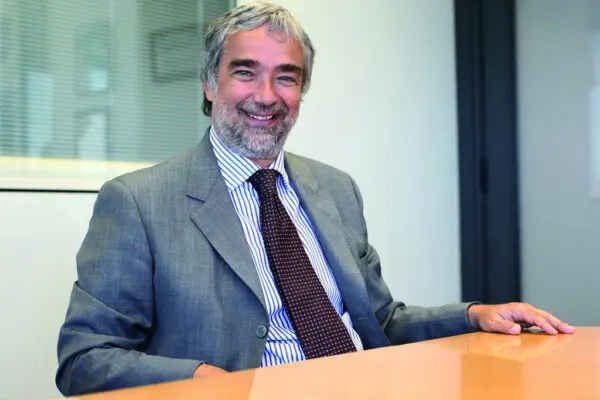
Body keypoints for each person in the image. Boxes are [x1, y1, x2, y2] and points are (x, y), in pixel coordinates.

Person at [55, 2, 574, 396]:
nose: (266, 95)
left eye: (287, 77)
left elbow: (380, 320)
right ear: (210, 84)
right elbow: (84, 359)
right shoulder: (138, 202)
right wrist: (206, 380)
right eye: (245, 72)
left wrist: (475, 314)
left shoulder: (336, 188)